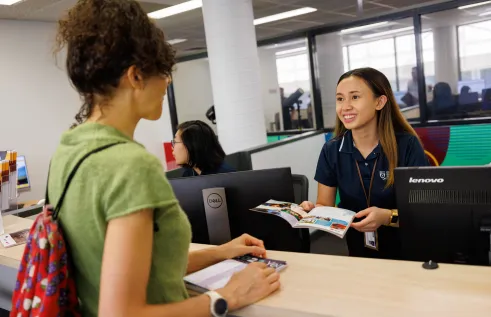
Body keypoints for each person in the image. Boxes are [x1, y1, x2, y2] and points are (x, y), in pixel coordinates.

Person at [49, 1, 280, 316]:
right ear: (135, 77)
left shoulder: (67, 151)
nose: (168, 81)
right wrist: (228, 296)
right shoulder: (131, 165)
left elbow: (139, 267)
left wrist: (221, 253)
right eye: (164, 71)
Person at [301, 67, 428, 260]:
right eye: (340, 99)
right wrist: (313, 211)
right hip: (358, 254)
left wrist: (386, 217)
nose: (345, 107)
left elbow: (423, 212)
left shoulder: (407, 145)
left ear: (380, 101)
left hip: (407, 255)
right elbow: (325, 205)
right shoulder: (332, 150)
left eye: (355, 97)